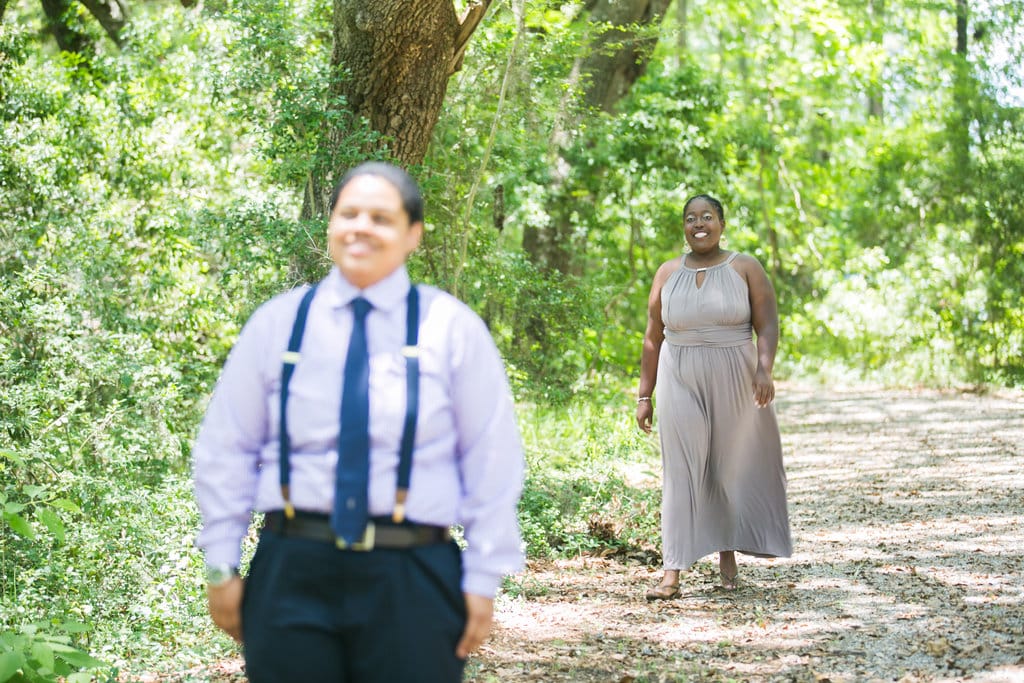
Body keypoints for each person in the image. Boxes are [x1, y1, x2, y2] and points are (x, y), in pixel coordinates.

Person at [192, 161, 524, 681]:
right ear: (330, 225)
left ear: (413, 234)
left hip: (412, 574)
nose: (361, 227)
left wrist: (483, 577)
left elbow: (491, 462)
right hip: (292, 568)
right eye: (349, 213)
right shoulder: (279, 324)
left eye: (381, 217)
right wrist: (220, 565)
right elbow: (227, 448)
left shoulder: (451, 329)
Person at [636, 193, 792, 599]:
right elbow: (653, 337)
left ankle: (727, 555)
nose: (698, 223)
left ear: (721, 223)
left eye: (707, 216)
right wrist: (644, 395)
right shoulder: (667, 272)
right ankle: (672, 571)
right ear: (684, 227)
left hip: (735, 376)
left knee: (726, 465)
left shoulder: (745, 266)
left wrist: (764, 369)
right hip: (679, 375)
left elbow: (769, 322)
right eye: (691, 218)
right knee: (682, 469)